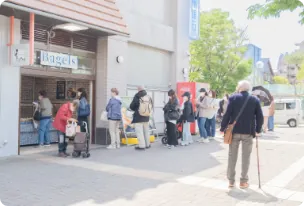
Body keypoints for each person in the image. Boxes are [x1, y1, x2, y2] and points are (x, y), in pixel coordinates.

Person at [220, 80, 263, 189]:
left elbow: (227, 114)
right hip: (248, 132)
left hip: (234, 132)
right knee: (246, 157)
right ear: (248, 88)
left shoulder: (233, 98)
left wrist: (222, 127)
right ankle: (243, 182)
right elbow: (260, 116)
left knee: (232, 156)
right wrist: (258, 130)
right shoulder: (254, 99)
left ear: (239, 88)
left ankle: (231, 181)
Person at [130, 86, 153, 150]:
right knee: (146, 131)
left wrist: (136, 109)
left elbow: (132, 106)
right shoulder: (148, 96)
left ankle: (142, 145)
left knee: (139, 132)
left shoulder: (137, 96)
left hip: (138, 117)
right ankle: (147, 144)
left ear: (138, 90)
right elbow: (151, 106)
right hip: (146, 117)